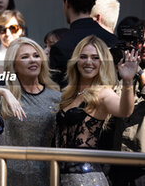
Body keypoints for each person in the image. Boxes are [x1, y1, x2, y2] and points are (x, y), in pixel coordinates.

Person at [0, 37, 61, 186]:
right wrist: (3, 92)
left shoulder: (56, 97)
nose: (33, 60)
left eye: (36, 55)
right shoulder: (8, 94)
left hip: (45, 175)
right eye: (25, 57)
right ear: (14, 64)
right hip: (9, 174)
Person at [56, 35, 139, 186]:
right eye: (83, 57)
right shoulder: (69, 93)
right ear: (76, 61)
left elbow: (124, 111)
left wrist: (127, 81)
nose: (89, 62)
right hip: (60, 176)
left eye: (95, 58)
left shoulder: (103, 93)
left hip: (86, 178)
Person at [49, 0, 119, 88]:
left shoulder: (60, 48)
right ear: (93, 3)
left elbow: (57, 93)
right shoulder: (114, 41)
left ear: (66, 2)